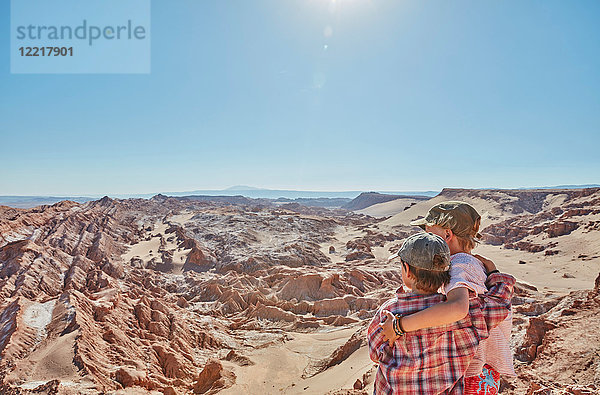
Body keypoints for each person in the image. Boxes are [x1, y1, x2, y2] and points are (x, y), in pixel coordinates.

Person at [384, 201, 515, 394]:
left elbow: (458, 308)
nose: (426, 239)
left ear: (447, 234)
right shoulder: (472, 263)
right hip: (483, 368)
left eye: (430, 233)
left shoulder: (458, 266)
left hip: (472, 369)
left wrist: (400, 325)